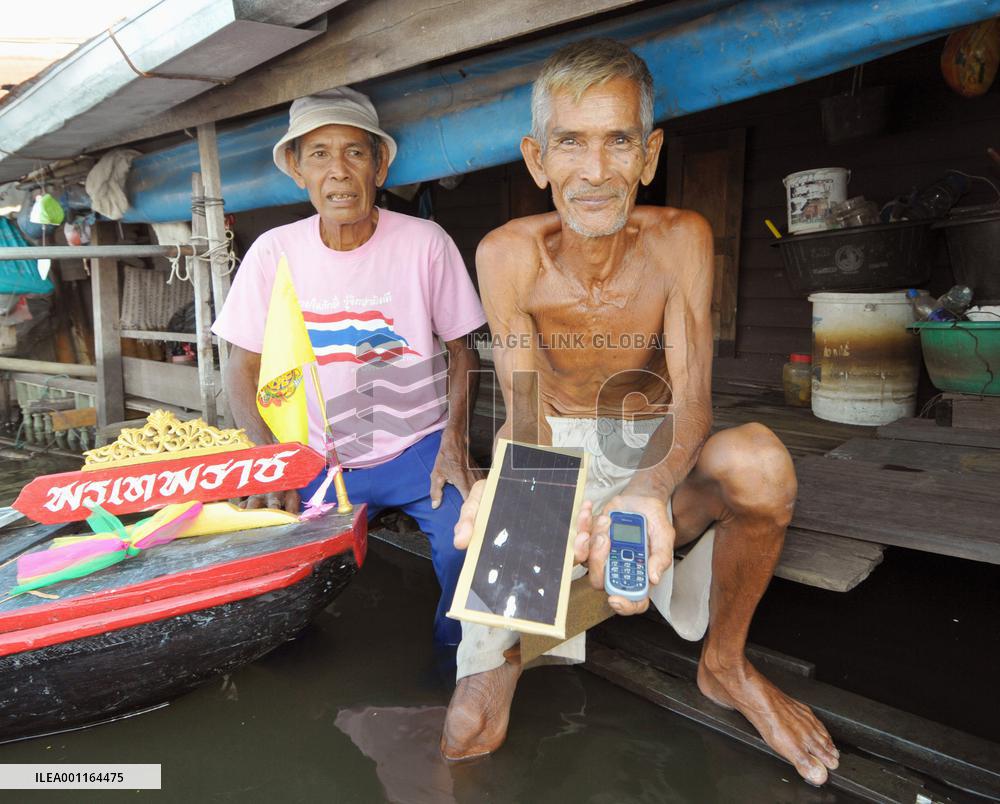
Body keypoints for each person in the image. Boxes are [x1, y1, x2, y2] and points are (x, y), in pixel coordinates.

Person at [440, 40, 840, 786]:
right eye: (570, 143)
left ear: (649, 154)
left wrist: (649, 488)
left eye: (619, 141)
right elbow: (524, 411)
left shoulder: (680, 239)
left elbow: (693, 399)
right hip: (550, 448)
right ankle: (529, 634)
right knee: (469, 728)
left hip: (655, 444)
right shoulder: (506, 254)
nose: (595, 171)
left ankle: (724, 664)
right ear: (537, 160)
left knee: (760, 462)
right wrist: (524, 486)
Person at [212, 87, 486, 647]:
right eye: (319, 154)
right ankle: (298, 668)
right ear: (297, 170)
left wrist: (454, 442)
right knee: (270, 569)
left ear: (379, 166)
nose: (338, 171)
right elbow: (241, 369)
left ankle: (455, 667)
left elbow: (464, 350)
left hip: (418, 448)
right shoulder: (273, 251)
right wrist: (273, 463)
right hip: (313, 458)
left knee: (471, 544)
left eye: (355, 153)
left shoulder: (425, 242)